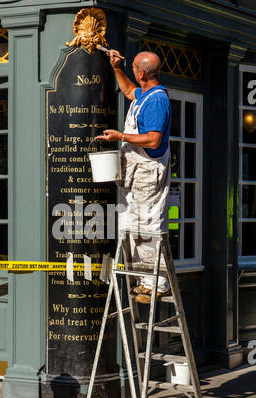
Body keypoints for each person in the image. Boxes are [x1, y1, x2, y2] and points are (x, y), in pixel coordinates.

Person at [97, 50, 171, 304]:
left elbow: (153, 139)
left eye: (133, 69)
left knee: (148, 226)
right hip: (135, 172)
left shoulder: (157, 100)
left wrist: (121, 137)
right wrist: (116, 67)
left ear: (141, 73)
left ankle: (158, 284)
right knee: (131, 225)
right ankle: (144, 281)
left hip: (148, 172)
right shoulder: (144, 94)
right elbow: (129, 91)